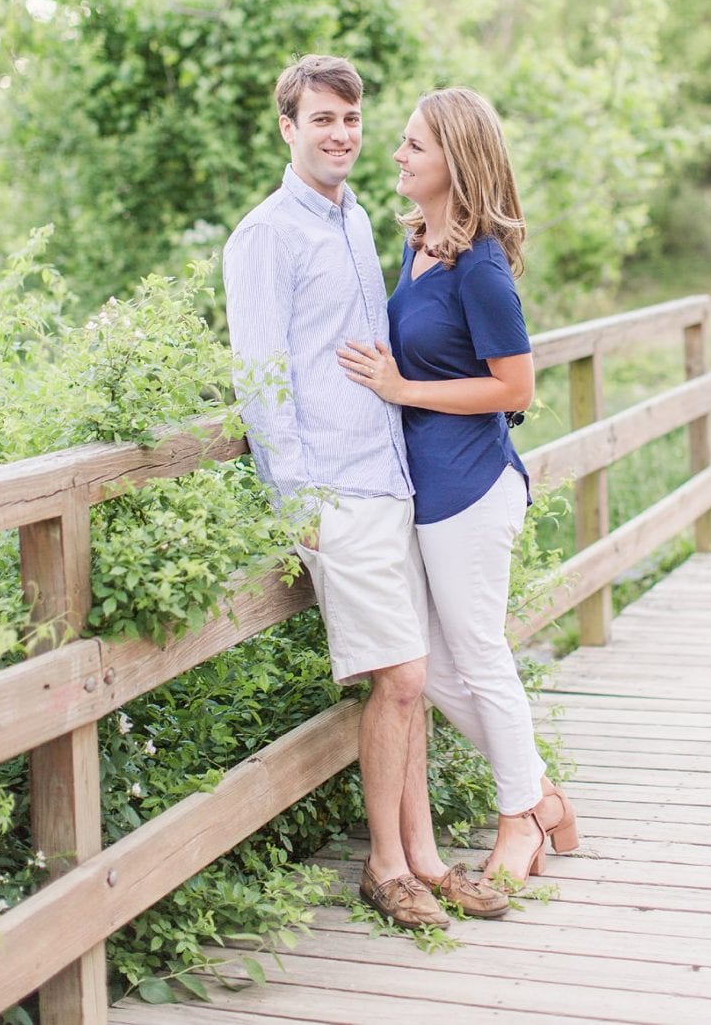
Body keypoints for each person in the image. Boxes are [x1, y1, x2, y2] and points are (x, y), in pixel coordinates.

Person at [224, 55, 508, 929]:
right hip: (334, 491)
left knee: (408, 681)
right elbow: (260, 379)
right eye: (322, 120)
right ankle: (385, 866)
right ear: (289, 127)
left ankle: (422, 856)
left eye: (351, 119)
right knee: (401, 675)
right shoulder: (266, 235)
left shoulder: (356, 223)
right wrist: (296, 503)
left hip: (392, 480)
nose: (341, 134)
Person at [337, 85, 578, 885]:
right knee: (434, 672)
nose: (397, 155)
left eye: (414, 146)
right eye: (402, 141)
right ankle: (540, 790)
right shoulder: (416, 244)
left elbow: (517, 390)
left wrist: (403, 390)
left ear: (456, 162)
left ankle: (521, 825)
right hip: (423, 489)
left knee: (476, 654)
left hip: (472, 488)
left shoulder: (480, 270)